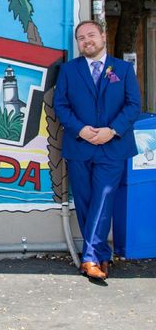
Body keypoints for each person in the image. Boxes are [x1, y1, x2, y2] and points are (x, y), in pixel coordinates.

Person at [54, 20, 141, 281]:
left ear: (103, 37)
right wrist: (80, 129)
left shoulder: (124, 70)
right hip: (79, 146)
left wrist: (112, 130)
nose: (86, 41)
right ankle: (102, 252)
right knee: (85, 202)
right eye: (81, 38)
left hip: (112, 147)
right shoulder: (69, 71)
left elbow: (133, 105)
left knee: (103, 199)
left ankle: (89, 257)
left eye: (91, 35)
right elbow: (61, 106)